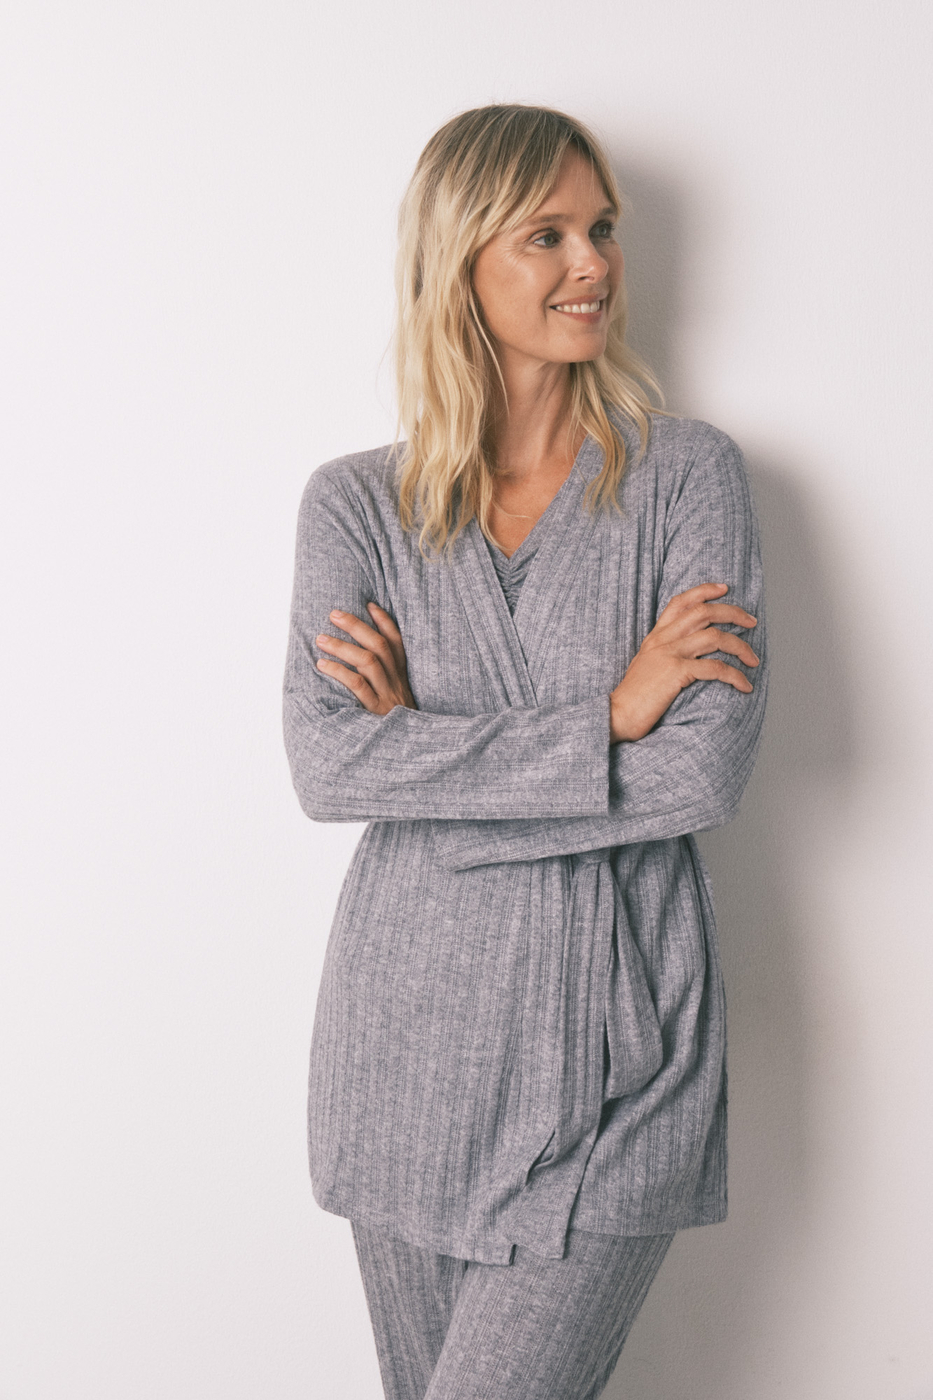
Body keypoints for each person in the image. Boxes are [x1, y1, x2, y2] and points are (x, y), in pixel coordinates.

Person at [284, 104, 767, 1400]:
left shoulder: (685, 479)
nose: (592, 262)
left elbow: (701, 773)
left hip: (621, 1057)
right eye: (545, 234)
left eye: (601, 228)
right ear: (460, 261)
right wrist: (605, 716)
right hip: (406, 1051)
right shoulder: (357, 506)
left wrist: (426, 760)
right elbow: (329, 769)